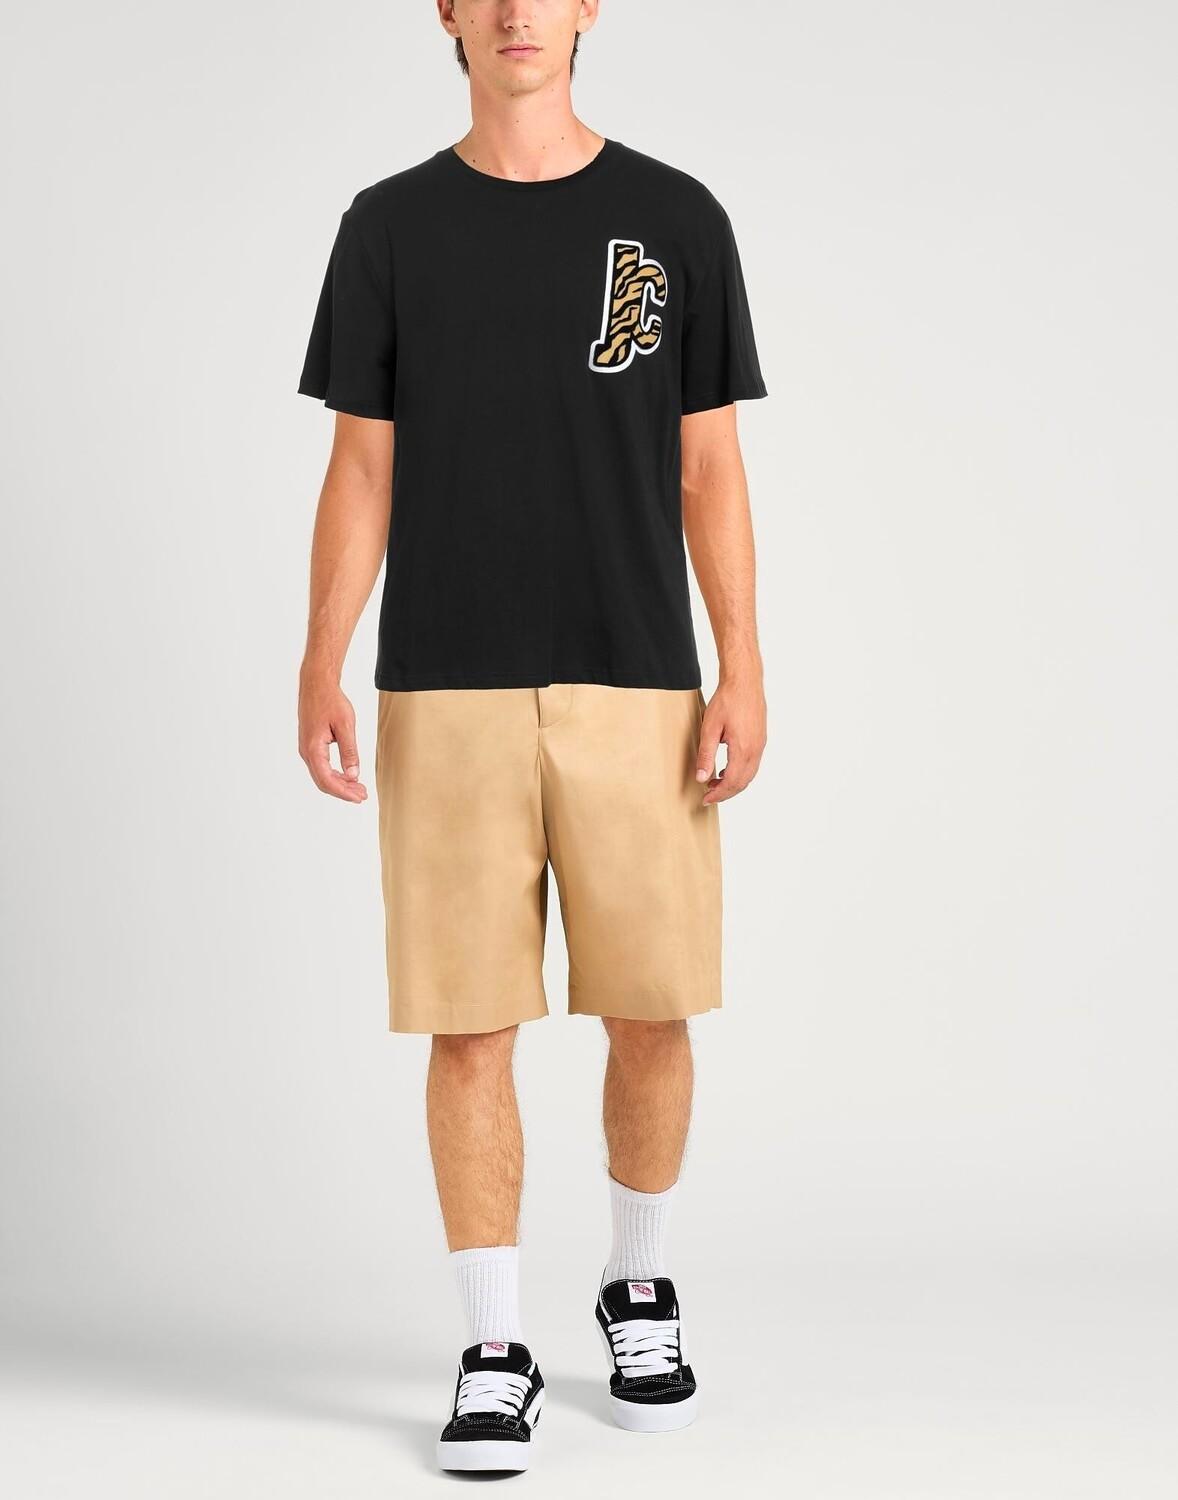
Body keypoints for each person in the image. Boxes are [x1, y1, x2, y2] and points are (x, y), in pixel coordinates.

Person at [296, 0, 768, 1475]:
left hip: (639, 675)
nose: (516, 11)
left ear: (586, 7)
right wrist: (321, 656)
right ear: (444, 9)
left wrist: (743, 664)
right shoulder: (388, 227)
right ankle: (492, 1348)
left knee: (652, 1008)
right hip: (445, 681)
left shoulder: (674, 220)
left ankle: (639, 1289)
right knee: (470, 1024)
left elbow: (709, 467)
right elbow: (360, 467)